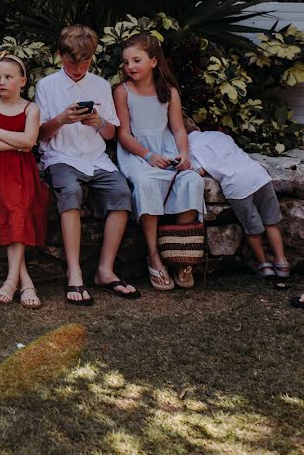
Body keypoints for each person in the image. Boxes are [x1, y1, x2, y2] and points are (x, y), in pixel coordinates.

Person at [35, 25, 138, 305]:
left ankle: (105, 270)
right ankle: (75, 271)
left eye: (86, 61)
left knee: (121, 194)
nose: (79, 68)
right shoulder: (46, 86)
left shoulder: (101, 86)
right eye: (72, 61)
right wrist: (61, 120)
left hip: (96, 158)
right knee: (70, 193)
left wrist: (99, 122)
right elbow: (40, 135)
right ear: (60, 55)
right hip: (61, 157)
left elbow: (110, 133)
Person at [115, 33, 204, 291]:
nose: (130, 66)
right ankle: (154, 256)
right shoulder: (122, 92)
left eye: (136, 60)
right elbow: (123, 135)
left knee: (191, 181)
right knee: (145, 183)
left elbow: (178, 130)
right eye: (126, 62)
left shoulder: (170, 91)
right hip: (138, 155)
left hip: (167, 152)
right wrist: (148, 156)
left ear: (153, 61)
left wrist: (184, 155)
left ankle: (182, 255)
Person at [0, 50, 49, 309]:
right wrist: (16, 145)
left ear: (22, 81)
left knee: (19, 213)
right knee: (13, 213)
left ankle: (11, 282)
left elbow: (29, 141)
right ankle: (23, 282)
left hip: (22, 172)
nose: (1, 82)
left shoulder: (31, 109)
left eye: (8, 77)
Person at [184, 117, 290, 278]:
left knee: (252, 228)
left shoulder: (189, 148)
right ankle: (282, 263)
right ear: (197, 128)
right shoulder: (219, 135)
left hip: (237, 187)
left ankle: (265, 266)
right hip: (258, 176)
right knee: (271, 222)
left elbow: (200, 171)